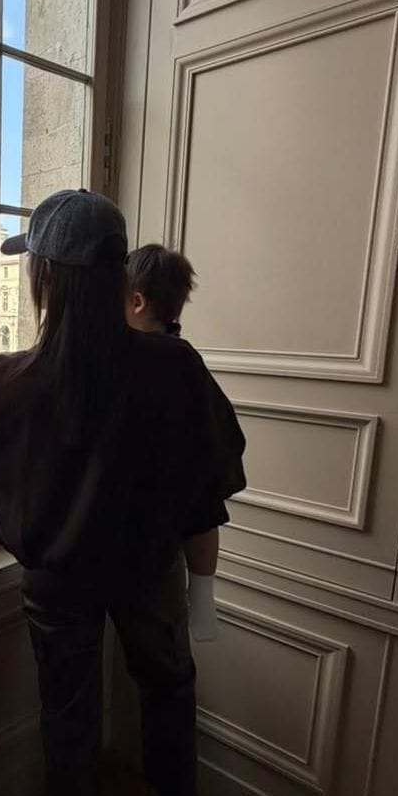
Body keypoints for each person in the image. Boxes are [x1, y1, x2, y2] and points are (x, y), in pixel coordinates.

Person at [0, 190, 246, 796]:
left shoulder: (8, 380)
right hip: (150, 572)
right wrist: (203, 588)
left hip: (57, 584)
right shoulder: (172, 365)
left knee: (68, 728)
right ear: (118, 278)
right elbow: (212, 468)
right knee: (168, 700)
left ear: (46, 278)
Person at [125, 243, 246, 643]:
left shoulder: (144, 359)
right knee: (205, 511)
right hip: (190, 489)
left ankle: (203, 596)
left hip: (154, 508)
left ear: (137, 302)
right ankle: (204, 596)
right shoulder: (183, 355)